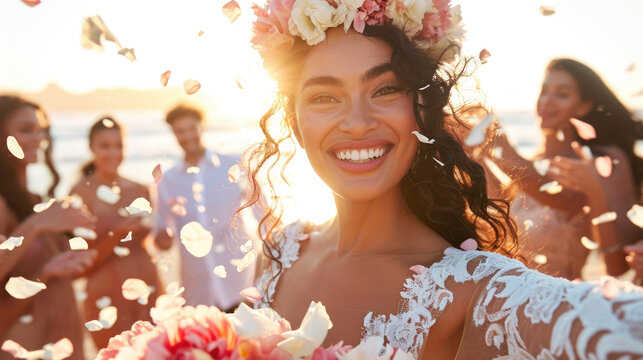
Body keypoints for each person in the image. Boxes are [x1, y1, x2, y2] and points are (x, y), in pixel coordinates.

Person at [242, 1, 643, 358]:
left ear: (422, 111)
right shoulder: (278, 252)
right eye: (325, 97)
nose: (358, 123)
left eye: (385, 89)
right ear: (295, 122)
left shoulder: (474, 288)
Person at [487, 59, 643, 279]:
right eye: (544, 92)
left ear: (584, 106)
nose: (547, 102)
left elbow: (619, 267)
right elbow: (496, 218)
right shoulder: (535, 162)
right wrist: (479, 155)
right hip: (510, 294)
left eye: (562, 94)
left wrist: (503, 152)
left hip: (557, 300)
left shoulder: (600, 161)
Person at [0, 95, 97, 359]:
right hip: (25, 346)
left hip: (61, 338)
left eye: (40, 130)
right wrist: (37, 225)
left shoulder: (33, 200)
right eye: (25, 130)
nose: (38, 139)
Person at [70, 117, 162, 349]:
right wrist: (117, 234)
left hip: (145, 290)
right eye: (105, 146)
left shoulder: (141, 189)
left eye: (118, 145)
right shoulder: (80, 193)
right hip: (104, 300)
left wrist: (165, 236)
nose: (113, 153)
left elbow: (154, 241)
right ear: (91, 148)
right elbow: (80, 266)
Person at [152, 104, 254, 311]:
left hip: (240, 275)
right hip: (197, 282)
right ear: (174, 134)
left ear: (202, 127)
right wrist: (162, 237)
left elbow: (262, 208)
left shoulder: (232, 164)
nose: (187, 135)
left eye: (192, 128)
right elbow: (161, 231)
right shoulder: (167, 180)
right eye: (180, 131)